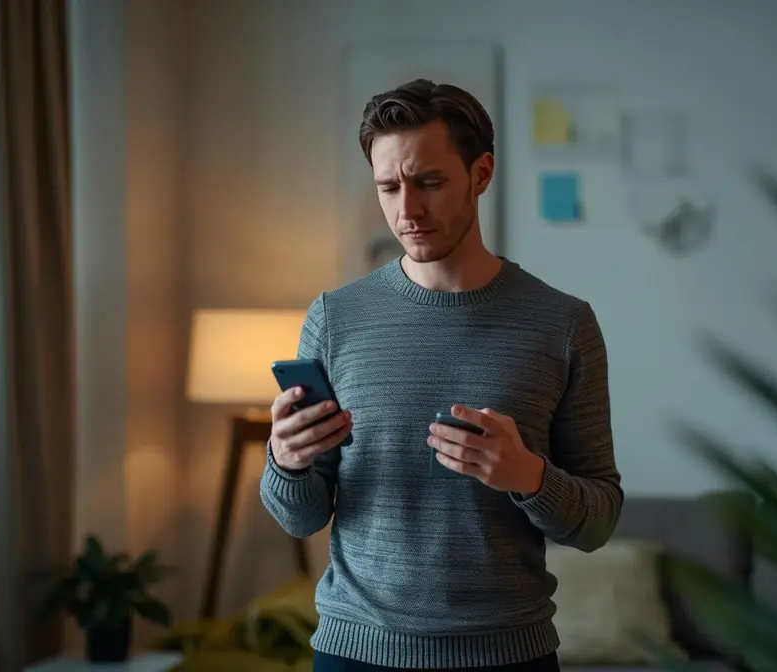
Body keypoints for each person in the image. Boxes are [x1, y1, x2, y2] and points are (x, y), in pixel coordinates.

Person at [259, 78, 623, 672]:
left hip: (509, 655)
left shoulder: (562, 324)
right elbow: (299, 517)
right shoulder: (334, 318)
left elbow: (599, 522)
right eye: (387, 187)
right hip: (357, 653)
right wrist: (287, 461)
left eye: (429, 182)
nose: (408, 210)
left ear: (481, 174)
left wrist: (528, 476)